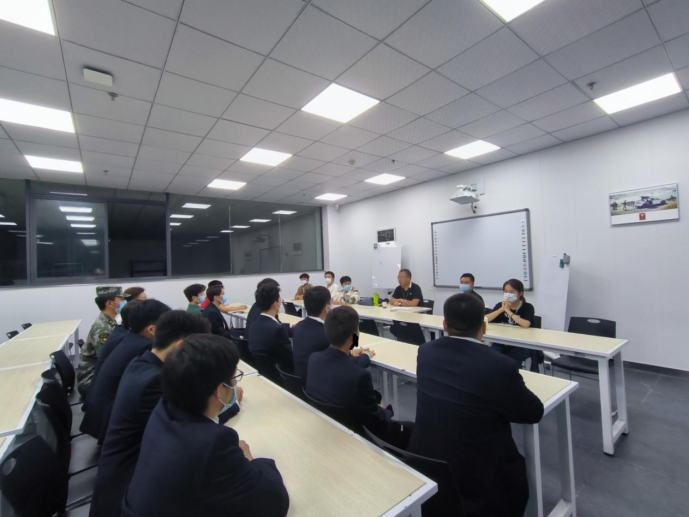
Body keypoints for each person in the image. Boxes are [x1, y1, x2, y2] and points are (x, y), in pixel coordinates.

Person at [122, 334, 289, 517]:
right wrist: (250, 459)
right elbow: (274, 503)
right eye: (234, 377)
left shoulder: (164, 410)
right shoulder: (213, 443)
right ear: (220, 390)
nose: (235, 383)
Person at [89, 311, 237, 517]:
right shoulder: (155, 381)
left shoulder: (141, 363)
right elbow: (192, 422)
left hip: (136, 473)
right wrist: (231, 401)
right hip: (127, 490)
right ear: (180, 346)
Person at [408, 294, 544, 517]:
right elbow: (533, 412)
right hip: (479, 474)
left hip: (428, 460)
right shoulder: (500, 365)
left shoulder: (426, 351)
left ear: (444, 325)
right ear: (484, 327)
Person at [306, 306, 411, 448]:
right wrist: (383, 411)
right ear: (353, 336)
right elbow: (376, 422)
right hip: (360, 435)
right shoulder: (359, 375)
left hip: (331, 424)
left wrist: (350, 353)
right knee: (410, 428)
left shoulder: (314, 359)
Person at [81, 299, 171, 441]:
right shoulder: (144, 347)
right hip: (110, 427)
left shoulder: (128, 337)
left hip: (100, 415)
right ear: (151, 330)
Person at [292, 287, 372, 378]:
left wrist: (349, 353)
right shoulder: (327, 334)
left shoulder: (299, 326)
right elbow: (346, 365)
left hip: (301, 380)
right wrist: (365, 356)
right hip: (321, 380)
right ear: (327, 308)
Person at [77, 286, 130, 397]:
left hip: (98, 375)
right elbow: (109, 361)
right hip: (90, 381)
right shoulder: (102, 329)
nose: (125, 302)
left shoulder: (109, 322)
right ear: (110, 303)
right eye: (121, 299)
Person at [486, 279, 535, 365]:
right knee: (493, 358)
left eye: (511, 292)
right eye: (505, 291)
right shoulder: (500, 305)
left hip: (520, 344)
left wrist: (508, 311)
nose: (508, 294)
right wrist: (502, 309)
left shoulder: (527, 307)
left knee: (512, 361)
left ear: (520, 293)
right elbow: (485, 319)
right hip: (501, 341)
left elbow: (526, 324)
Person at [248, 282, 293, 371]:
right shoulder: (278, 330)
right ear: (275, 303)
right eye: (279, 299)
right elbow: (289, 359)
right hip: (279, 374)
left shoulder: (254, 325)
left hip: (263, 371)